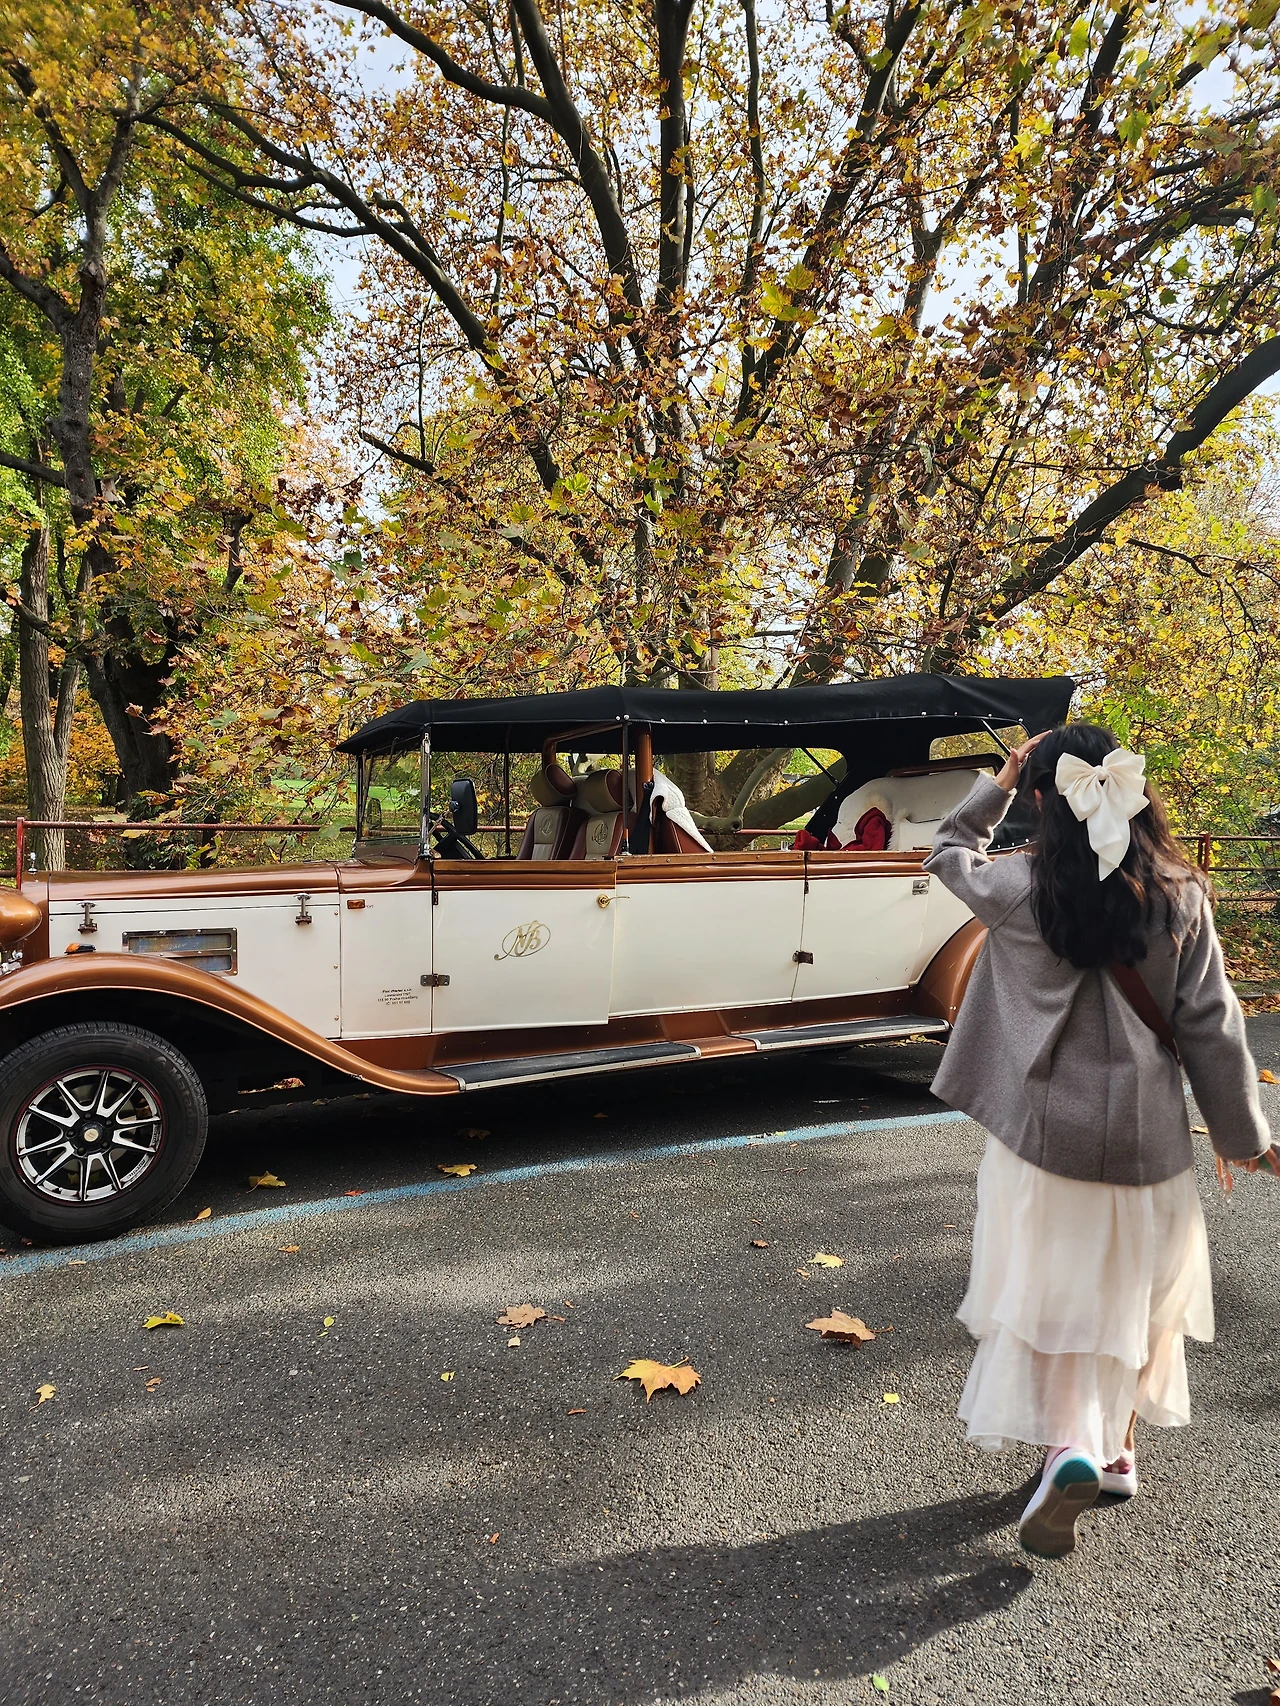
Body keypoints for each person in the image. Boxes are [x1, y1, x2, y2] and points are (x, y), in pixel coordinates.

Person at [923, 722, 1276, 1558]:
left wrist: (1000, 779)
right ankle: (1115, 1451)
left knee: (1051, 1298)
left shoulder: (1016, 886)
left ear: (1042, 800)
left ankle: (1069, 1450)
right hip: (1149, 1145)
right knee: (1136, 1299)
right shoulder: (1180, 893)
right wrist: (1241, 1135)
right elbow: (1212, 1024)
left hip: (1045, 1145)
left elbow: (946, 850)